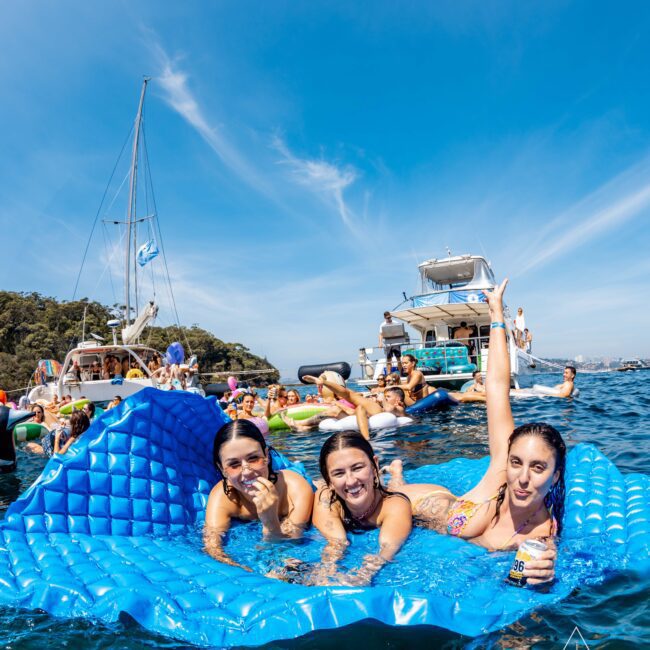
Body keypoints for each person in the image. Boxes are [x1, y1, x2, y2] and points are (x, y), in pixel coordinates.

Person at [385, 280, 559, 584]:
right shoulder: (502, 472)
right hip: (424, 502)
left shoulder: (539, 537)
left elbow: (537, 575)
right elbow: (496, 388)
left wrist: (543, 577)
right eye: (517, 462)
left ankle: (397, 475)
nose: (523, 477)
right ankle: (396, 475)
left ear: (555, 475)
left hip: (437, 513)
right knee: (386, 489)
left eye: (539, 467)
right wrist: (495, 315)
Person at [203, 420, 314, 570]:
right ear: (222, 469)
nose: (247, 471)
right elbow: (212, 548)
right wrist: (241, 570)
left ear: (266, 456)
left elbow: (289, 543)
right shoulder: (223, 497)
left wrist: (269, 520)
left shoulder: (295, 488)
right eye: (234, 464)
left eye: (253, 458)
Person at [310, 431, 412, 586]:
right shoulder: (326, 499)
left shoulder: (394, 504)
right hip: (364, 488)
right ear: (328, 481)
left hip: (388, 494)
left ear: (374, 465)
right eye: (338, 473)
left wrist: (363, 575)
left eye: (357, 468)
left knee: (398, 487)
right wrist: (325, 574)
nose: (350, 481)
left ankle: (396, 474)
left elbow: (388, 548)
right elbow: (336, 543)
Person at [302, 373, 406, 440]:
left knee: (360, 406)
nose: (385, 397)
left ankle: (366, 439)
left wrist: (381, 398)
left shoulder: (400, 407)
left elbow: (389, 409)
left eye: (388, 396)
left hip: (383, 425)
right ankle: (301, 424)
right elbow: (348, 394)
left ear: (398, 400)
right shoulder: (382, 406)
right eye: (385, 396)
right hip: (368, 419)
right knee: (346, 399)